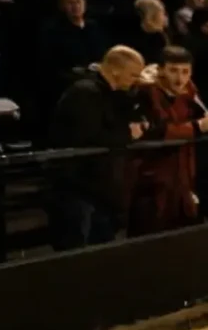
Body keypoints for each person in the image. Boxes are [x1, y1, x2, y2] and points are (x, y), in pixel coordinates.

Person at [45, 45, 147, 250]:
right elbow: (89, 137)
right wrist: (129, 134)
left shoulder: (112, 93)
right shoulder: (85, 92)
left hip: (100, 190)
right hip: (77, 190)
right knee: (76, 253)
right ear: (116, 70)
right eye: (133, 75)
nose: (136, 80)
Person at [130, 45, 208, 235]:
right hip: (153, 178)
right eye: (173, 71)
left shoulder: (189, 91)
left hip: (184, 175)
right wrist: (199, 127)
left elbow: (199, 119)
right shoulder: (146, 93)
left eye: (185, 72)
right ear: (160, 70)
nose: (180, 78)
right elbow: (153, 131)